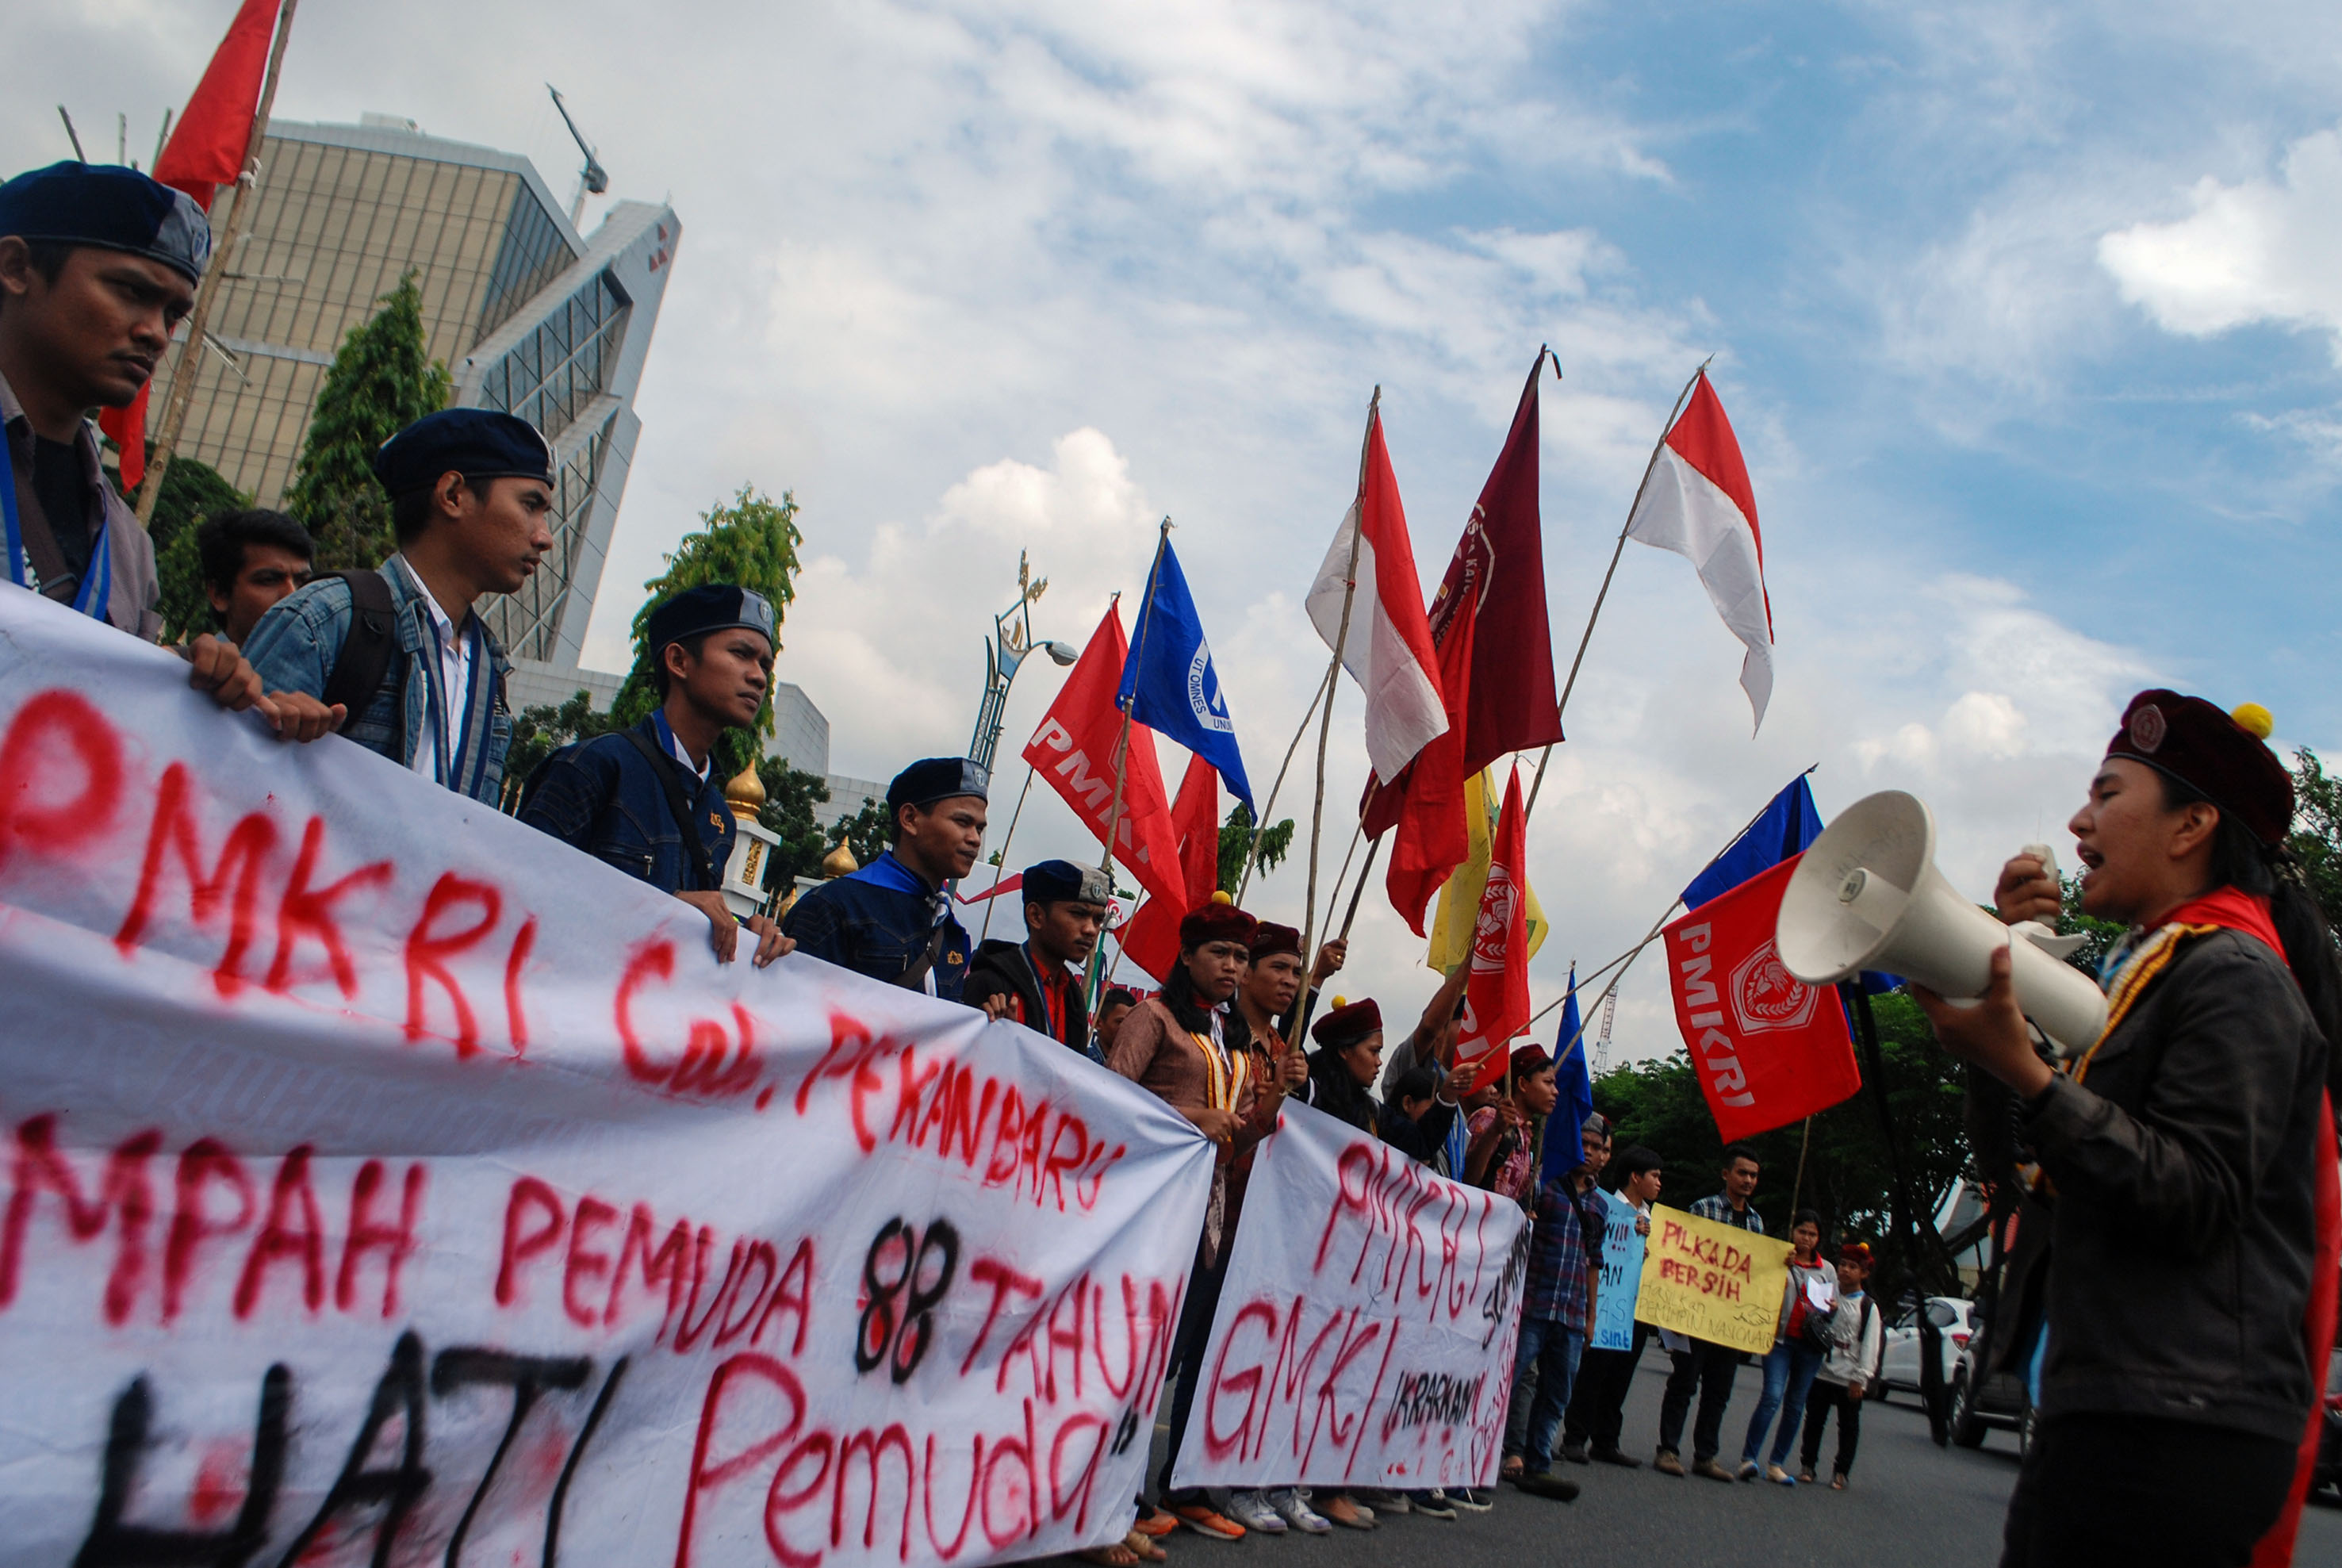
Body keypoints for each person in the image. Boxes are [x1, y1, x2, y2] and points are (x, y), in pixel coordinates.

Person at [1924, 691, 2337, 1568]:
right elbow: (2018, 1170)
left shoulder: (2235, 978)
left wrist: (2031, 1074)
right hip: (2122, 1405)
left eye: (2109, 794)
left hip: (2176, 1427)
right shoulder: (2142, 977)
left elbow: (2194, 1193)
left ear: (2191, 825)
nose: (2080, 819)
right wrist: (1996, 1018)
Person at [0, 161, 310, 733]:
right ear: (16, 267)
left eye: (173, 314)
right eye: (130, 292)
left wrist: (187, 687)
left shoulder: (127, 545)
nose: (156, 333)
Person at [243, 408, 561, 798]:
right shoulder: (326, 621)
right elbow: (222, 788)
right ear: (452, 495)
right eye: (531, 506)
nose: (545, 537)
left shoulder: (487, 668)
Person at [1107, 903, 1298, 1538]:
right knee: (1133, 1360)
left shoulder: (1227, 1040)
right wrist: (1191, 1117)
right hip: (1147, 1217)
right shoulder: (1152, 1017)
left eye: (1240, 957)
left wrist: (1271, 1102)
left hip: (1208, 1224)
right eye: (1220, 952)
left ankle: (1146, 1492)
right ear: (1186, 956)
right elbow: (1107, 1101)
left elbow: (1238, 1140)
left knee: (1179, 1355)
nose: (1232, 965)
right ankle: (1112, 1495)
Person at [517, 585, 788, 967]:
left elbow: (696, 931)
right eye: (741, 654)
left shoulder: (719, 817)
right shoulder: (594, 765)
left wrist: (747, 932)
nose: (758, 677)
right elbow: (516, 890)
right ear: (679, 661)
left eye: (765, 664)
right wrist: (663, 907)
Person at [780, 757, 987, 999]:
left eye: (979, 828)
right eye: (963, 822)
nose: (975, 839)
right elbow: (791, 1015)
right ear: (909, 819)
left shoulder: (949, 928)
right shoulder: (835, 907)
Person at [1503, 1112, 1609, 1501]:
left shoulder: (1600, 1205)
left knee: (1557, 1393)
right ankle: (1481, 1452)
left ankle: (1538, 1463)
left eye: (1598, 1148)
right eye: (1585, 1144)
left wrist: (1591, 1317)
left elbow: (1594, 1261)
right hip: (1534, 1302)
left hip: (1571, 1311)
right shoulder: (1543, 1186)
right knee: (1509, 1380)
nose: (1590, 1153)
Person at [1656, 1144, 1766, 1480]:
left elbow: (1757, 1274)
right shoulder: (1703, 1209)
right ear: (1726, 1174)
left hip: (1729, 1322)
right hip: (1697, 1316)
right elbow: (1681, 1256)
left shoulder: (1756, 1223)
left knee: (1719, 1392)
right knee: (1684, 1383)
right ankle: (1668, 1450)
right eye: (1742, 1173)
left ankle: (1706, 1455)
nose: (1748, 1180)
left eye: (1753, 1175)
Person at [1564, 1144, 1665, 1467]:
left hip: (1636, 1308)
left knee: (1621, 1375)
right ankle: (1575, 1437)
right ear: (1635, 1177)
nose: (1659, 1183)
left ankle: (1606, 1439)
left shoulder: (1651, 1219)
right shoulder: (1605, 1206)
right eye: (1655, 1176)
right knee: (1594, 1372)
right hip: (1607, 1303)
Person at [965, 859, 1109, 1056]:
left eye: (1098, 919)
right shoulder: (991, 984)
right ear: (1036, 916)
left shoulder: (1072, 995)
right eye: (1078, 914)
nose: (1091, 929)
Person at [1738, 1207, 1834, 1485]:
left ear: (1819, 1238)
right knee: (1772, 1396)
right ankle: (1749, 1458)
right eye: (1802, 1232)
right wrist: (1781, 1265)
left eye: (1812, 1234)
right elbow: (1758, 1286)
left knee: (1795, 1406)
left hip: (1810, 1346)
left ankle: (1776, 1463)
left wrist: (1833, 1308)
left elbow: (1831, 1309)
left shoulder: (1826, 1269)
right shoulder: (1779, 1258)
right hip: (1779, 1340)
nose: (1806, 1238)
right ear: (1792, 1232)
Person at [1800, 1242, 1881, 1489]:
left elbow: (1870, 1344)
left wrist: (1861, 1377)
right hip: (1823, 1369)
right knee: (1814, 1419)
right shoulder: (1827, 1295)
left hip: (1849, 1374)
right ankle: (1808, 1465)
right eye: (1843, 1265)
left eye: (1853, 1267)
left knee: (1848, 1425)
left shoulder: (1868, 1307)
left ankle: (1841, 1471)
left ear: (1864, 1273)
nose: (1846, 1270)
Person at [195, 508, 312, 645]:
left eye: (304, 582)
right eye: (269, 580)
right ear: (219, 594)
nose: (293, 595)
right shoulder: (184, 664)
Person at [1465, 1048, 1555, 1200]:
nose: (1555, 1091)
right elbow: (1466, 1180)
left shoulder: (1525, 1134)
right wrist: (1494, 1131)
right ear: (1522, 1084)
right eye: (1548, 1082)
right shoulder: (1489, 1118)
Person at [1094, 987, 1137, 1056]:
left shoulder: (1135, 1065)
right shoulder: (1081, 1063)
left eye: (1132, 1023)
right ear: (1098, 1023)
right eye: (1120, 1022)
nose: (1128, 1028)